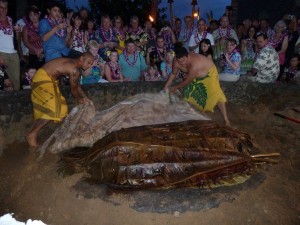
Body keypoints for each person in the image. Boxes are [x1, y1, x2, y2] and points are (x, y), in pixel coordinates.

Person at [26, 52, 94, 147]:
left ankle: (35, 131)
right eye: (88, 62)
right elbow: (74, 90)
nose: (89, 66)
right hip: (43, 79)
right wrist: (81, 100)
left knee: (61, 110)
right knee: (54, 110)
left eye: (91, 64)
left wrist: (85, 97)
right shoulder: (74, 69)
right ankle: (32, 134)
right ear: (82, 59)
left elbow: (77, 85)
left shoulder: (74, 65)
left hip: (49, 80)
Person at [163, 46, 230, 126]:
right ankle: (195, 115)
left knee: (216, 94)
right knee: (189, 94)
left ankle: (226, 120)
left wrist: (175, 87)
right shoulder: (176, 61)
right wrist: (165, 87)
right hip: (195, 75)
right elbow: (173, 74)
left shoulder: (194, 65)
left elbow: (187, 81)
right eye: (179, 61)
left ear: (187, 56)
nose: (182, 63)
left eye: (183, 60)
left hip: (209, 73)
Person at [0, 0, 21, 90]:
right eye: (1, 7)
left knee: (16, 82)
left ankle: (16, 103)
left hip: (13, 53)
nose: (4, 10)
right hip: (2, 53)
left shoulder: (10, 19)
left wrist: (17, 31)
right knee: (5, 82)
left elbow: (18, 40)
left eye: (6, 7)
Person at [23, 5, 44, 69]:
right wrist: (36, 50)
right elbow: (26, 42)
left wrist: (42, 50)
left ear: (39, 14)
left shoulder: (45, 25)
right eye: (31, 15)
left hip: (46, 53)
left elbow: (50, 39)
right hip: (33, 54)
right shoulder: (26, 28)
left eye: (35, 14)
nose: (33, 17)